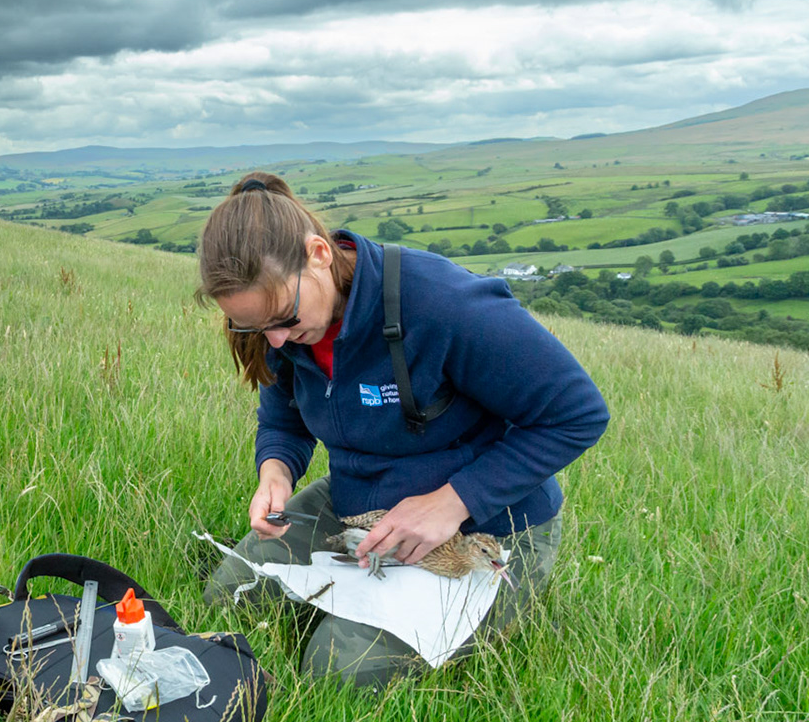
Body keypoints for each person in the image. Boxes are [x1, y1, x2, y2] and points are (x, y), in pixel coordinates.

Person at [199, 174, 609, 687]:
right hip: (363, 502)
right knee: (229, 598)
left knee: (337, 670)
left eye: (283, 317)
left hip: (487, 531)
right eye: (255, 328)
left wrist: (452, 502)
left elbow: (579, 413)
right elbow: (283, 414)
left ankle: (508, 601)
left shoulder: (443, 304)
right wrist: (276, 470)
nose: (277, 339)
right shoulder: (283, 327)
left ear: (319, 253)